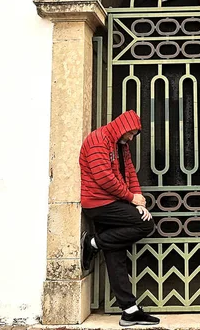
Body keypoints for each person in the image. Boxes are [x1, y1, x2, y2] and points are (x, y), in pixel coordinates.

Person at [79, 109, 160, 326]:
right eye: (131, 133)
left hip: (113, 202)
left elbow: (129, 172)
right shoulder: (98, 141)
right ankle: (93, 242)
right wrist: (130, 197)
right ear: (122, 128)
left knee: (115, 253)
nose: (132, 138)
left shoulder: (120, 146)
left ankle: (129, 310)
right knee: (145, 225)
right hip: (98, 203)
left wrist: (139, 199)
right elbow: (104, 177)